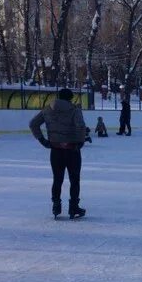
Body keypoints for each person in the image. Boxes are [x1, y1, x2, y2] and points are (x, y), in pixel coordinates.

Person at [29, 88, 87, 219]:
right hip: (72, 149)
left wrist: (43, 140)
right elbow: (80, 126)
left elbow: (33, 124)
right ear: (70, 98)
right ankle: (73, 207)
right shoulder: (74, 110)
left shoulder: (48, 109)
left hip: (55, 150)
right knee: (74, 179)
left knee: (57, 179)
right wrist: (80, 142)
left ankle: (56, 206)